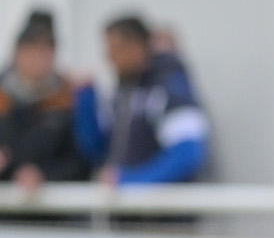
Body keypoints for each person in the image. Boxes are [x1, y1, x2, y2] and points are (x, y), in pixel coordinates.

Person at [74, 14, 210, 183]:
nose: (109, 58)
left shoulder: (169, 84)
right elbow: (98, 151)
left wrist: (131, 180)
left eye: (115, 50)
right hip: (128, 200)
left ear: (136, 47)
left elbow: (188, 154)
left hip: (163, 200)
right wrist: (86, 100)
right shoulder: (124, 89)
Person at [0, 10, 90, 188]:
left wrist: (44, 175)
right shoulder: (3, 97)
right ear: (17, 53)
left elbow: (81, 160)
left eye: (45, 51)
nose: (38, 60)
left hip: (51, 200)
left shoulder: (67, 97)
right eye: (32, 51)